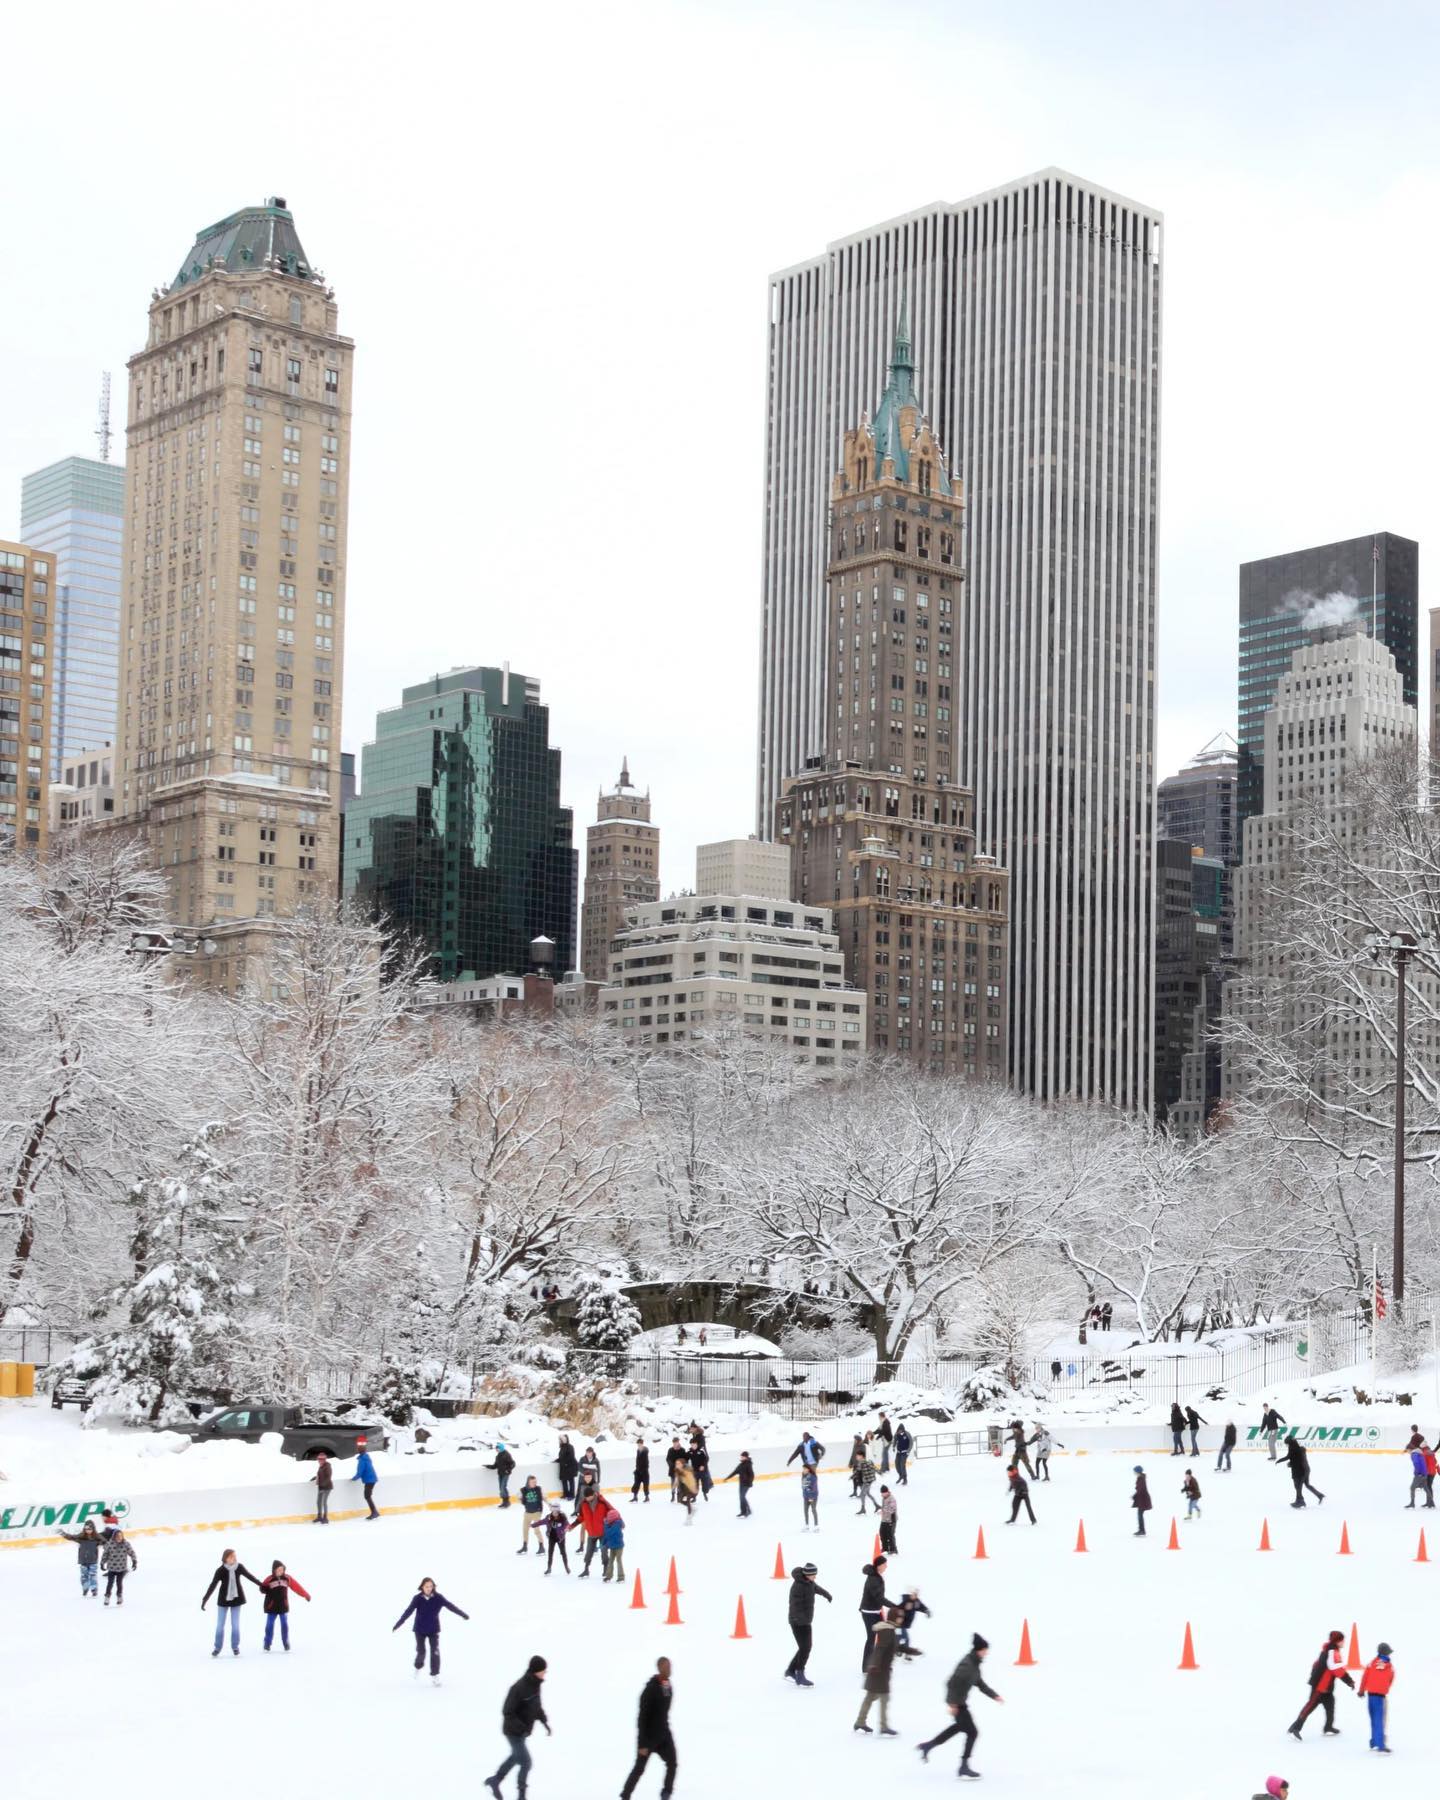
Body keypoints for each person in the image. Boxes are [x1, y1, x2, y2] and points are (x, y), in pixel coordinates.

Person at [917, 1632, 1002, 1779]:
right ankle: (963, 1766)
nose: (987, 1653)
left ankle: (928, 1746)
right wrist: (952, 1704)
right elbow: (951, 1683)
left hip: (960, 1703)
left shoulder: (974, 1664)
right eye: (985, 1650)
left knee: (958, 1728)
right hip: (958, 1704)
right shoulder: (967, 1666)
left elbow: (980, 1684)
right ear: (979, 1650)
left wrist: (994, 1695)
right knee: (972, 1732)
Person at [485, 1655, 551, 1798]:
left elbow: (536, 1707)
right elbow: (507, 1711)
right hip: (512, 1731)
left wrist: (544, 1722)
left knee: (516, 1757)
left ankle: (495, 1781)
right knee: (526, 1762)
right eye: (543, 1670)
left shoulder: (535, 1685)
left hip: (522, 1732)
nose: (545, 1673)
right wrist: (521, 1727)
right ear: (536, 1670)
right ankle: (521, 1795)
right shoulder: (519, 1687)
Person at [393, 1576, 469, 1684]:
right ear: (422, 1587)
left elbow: (450, 1606)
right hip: (419, 1629)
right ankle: (418, 1667)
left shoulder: (438, 1598)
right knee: (421, 1652)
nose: (429, 1588)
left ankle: (435, 1675)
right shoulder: (417, 1598)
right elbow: (408, 1611)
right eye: (426, 1586)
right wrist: (398, 1624)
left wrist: (463, 1614)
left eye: (431, 1586)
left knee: (435, 1652)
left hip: (433, 1629)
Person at [620, 1656, 677, 1798]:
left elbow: (664, 1711)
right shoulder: (650, 1690)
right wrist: (642, 1744)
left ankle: (666, 1792)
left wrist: (665, 1730)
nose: (669, 1669)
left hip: (664, 1735)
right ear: (659, 1668)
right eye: (666, 1667)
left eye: (670, 1666)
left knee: (672, 1763)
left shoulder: (667, 1686)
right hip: (649, 1738)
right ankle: (625, 1795)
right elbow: (642, 1718)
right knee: (639, 1769)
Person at [1288, 1629, 1354, 1738]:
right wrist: (1349, 1681)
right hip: (1320, 1687)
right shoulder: (1332, 1652)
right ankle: (1296, 1728)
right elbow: (1338, 1670)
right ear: (1337, 1641)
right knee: (1310, 1707)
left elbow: (1317, 1665)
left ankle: (1328, 1727)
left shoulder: (1328, 1650)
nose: (1344, 1642)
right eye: (1342, 1640)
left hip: (1326, 1687)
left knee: (1330, 1706)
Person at [201, 1548, 261, 1656]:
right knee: (220, 1626)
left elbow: (250, 1577)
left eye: (235, 1556)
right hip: (223, 1601)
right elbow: (213, 1585)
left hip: (236, 1600)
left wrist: (262, 1585)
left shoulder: (239, 1567)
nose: (234, 1558)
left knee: (235, 1625)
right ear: (225, 1559)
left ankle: (235, 1646)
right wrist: (205, 1599)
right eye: (231, 1556)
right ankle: (217, 1648)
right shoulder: (220, 1570)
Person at [854, 1605, 901, 1735]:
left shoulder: (891, 1630)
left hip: (880, 1671)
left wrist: (910, 1651)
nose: (901, 1620)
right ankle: (883, 1726)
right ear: (895, 1618)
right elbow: (879, 1649)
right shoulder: (887, 1631)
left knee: (870, 1697)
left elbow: (895, 1647)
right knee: (883, 1698)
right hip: (878, 1671)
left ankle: (860, 1722)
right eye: (900, 1617)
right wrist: (874, 1665)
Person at [784, 1561, 832, 1686]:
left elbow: (816, 1588)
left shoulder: (808, 1582)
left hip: (805, 1621)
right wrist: (801, 1620)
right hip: (798, 1622)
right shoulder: (798, 1586)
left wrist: (827, 1594)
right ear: (807, 1574)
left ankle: (790, 1671)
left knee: (804, 1647)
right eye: (813, 1575)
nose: (815, 1577)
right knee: (806, 1647)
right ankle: (799, 1674)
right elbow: (794, 1605)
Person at [260, 1560, 310, 1651]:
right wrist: (263, 1588)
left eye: (282, 1569)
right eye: (278, 1570)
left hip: (283, 1606)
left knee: (284, 1624)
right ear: (274, 1570)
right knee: (269, 1625)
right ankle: (267, 1643)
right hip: (271, 1607)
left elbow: (296, 1587)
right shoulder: (269, 1579)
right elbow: (262, 1588)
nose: (280, 1571)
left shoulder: (287, 1578)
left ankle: (286, 1642)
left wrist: (305, 1594)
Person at [858, 1555, 896, 1671]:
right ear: (879, 1566)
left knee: (885, 1636)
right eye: (884, 1564)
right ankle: (866, 1666)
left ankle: (881, 1662)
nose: (886, 1566)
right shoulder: (873, 1579)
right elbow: (879, 1598)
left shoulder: (877, 1576)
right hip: (869, 1613)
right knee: (871, 1638)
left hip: (876, 1611)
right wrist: (894, 1606)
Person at [1358, 1640, 1395, 1753]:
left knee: (1373, 1719)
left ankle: (1374, 1742)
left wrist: (1361, 1690)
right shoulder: (1389, 1666)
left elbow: (1365, 1677)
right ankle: (1381, 1745)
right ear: (1387, 1653)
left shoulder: (1371, 1664)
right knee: (1380, 1720)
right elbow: (1390, 1679)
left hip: (1370, 1695)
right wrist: (1385, 1689)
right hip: (1380, 1697)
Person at [59, 1519, 102, 1598]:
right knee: (84, 1576)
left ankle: (94, 1590)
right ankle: (85, 1588)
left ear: (93, 1529)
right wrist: (63, 1534)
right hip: (83, 1560)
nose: (88, 1531)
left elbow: (106, 1542)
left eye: (89, 1529)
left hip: (93, 1560)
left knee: (93, 1575)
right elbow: (71, 1537)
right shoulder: (81, 1537)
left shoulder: (97, 1538)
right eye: (86, 1529)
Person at [574, 1488, 611, 1576]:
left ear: (594, 1494)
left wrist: (618, 1523)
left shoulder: (602, 1502)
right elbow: (581, 1517)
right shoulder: (583, 1504)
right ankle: (586, 1569)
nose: (588, 1499)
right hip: (591, 1533)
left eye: (589, 1497)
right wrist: (572, 1526)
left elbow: (612, 1512)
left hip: (602, 1533)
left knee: (604, 1552)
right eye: (586, 1497)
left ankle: (606, 1569)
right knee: (588, 1552)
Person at [1281, 1434, 1325, 1508]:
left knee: (1298, 1485)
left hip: (1302, 1470)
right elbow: (1299, 1460)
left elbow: (1298, 1461)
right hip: (1306, 1469)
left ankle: (1300, 1501)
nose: (1287, 1446)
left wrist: (1290, 1464)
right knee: (1306, 1485)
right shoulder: (1300, 1449)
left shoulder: (1296, 1450)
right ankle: (1319, 1495)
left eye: (1288, 1444)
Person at [100, 1528, 137, 1605]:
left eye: (121, 1536)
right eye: (117, 1536)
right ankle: (107, 1597)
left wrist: (134, 1561)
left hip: (121, 1568)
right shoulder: (109, 1544)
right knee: (110, 1583)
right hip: (111, 1568)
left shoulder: (126, 1544)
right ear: (114, 1537)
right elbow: (105, 1554)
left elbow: (131, 1552)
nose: (119, 1538)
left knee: (119, 1583)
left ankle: (119, 1596)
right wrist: (102, 1563)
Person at [896, 1586, 931, 1657]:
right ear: (910, 1594)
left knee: (901, 1637)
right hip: (901, 1623)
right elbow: (898, 1609)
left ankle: (897, 1649)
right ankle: (905, 1653)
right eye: (913, 1594)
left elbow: (922, 1607)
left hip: (907, 1624)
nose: (915, 1595)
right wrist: (899, 1616)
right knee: (906, 1638)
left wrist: (926, 1611)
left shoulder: (917, 1602)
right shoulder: (905, 1601)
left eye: (916, 1594)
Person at [352, 1440, 380, 1519]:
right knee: (368, 1496)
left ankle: (374, 1512)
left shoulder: (362, 1460)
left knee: (367, 1496)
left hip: (369, 1480)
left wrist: (353, 1479)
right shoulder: (366, 1458)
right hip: (372, 1479)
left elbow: (360, 1472)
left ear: (359, 1451)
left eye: (358, 1449)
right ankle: (374, 1512)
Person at [518, 1475, 545, 1553]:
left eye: (535, 1482)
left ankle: (541, 1546)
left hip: (537, 1512)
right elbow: (519, 1497)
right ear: (528, 1482)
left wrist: (550, 1504)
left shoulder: (538, 1489)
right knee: (525, 1529)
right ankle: (525, 1546)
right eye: (533, 1482)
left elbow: (544, 1497)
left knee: (536, 1530)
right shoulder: (523, 1490)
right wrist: (521, 1500)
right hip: (527, 1512)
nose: (534, 1483)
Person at [725, 1450, 756, 1518]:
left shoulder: (748, 1464)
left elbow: (752, 1475)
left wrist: (749, 1482)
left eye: (742, 1457)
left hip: (746, 1484)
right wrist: (727, 1478)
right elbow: (734, 1472)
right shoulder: (741, 1465)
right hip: (741, 1484)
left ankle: (746, 1512)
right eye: (741, 1456)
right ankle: (744, 1511)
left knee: (742, 1497)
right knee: (741, 1497)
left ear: (746, 1457)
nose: (741, 1458)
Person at [601, 1502, 626, 1583]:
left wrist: (606, 1525)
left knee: (619, 1560)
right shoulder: (608, 1525)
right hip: (612, 1547)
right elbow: (605, 1536)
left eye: (609, 1518)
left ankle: (621, 1577)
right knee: (610, 1561)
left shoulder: (616, 1525)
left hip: (619, 1547)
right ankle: (608, 1576)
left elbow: (610, 1533)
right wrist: (603, 1543)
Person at [543, 1504, 571, 1575]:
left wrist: (565, 1529)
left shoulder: (563, 1517)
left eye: (556, 1510)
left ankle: (566, 1567)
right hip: (551, 1537)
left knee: (563, 1552)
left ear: (559, 1510)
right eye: (553, 1510)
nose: (554, 1512)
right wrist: (534, 1525)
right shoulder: (549, 1517)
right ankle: (549, 1568)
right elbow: (543, 1522)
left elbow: (567, 1524)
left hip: (560, 1538)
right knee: (550, 1553)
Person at [489, 1442, 516, 1509]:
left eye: (497, 1448)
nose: (496, 1449)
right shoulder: (498, 1456)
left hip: (506, 1474)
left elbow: (513, 1463)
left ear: (501, 1448)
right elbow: (495, 1466)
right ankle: (504, 1502)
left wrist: (508, 1470)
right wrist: (488, 1466)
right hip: (500, 1473)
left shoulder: (506, 1454)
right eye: (496, 1448)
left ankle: (507, 1502)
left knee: (503, 1487)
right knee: (501, 1488)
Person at [854, 1450, 880, 1515]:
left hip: (867, 1481)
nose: (856, 1457)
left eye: (857, 1456)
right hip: (867, 1480)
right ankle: (877, 1505)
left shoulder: (865, 1462)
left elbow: (873, 1467)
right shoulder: (861, 1462)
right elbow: (858, 1471)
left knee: (862, 1495)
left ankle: (863, 1509)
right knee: (868, 1494)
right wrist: (853, 1476)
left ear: (861, 1456)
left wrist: (879, 1472)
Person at [311, 1448, 333, 1523]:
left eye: (322, 1459)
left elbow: (328, 1477)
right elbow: (320, 1475)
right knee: (318, 1502)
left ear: (325, 1459)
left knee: (324, 1502)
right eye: (319, 1459)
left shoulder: (327, 1466)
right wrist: (314, 1478)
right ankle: (319, 1516)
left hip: (327, 1487)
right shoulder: (321, 1466)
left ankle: (325, 1518)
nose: (320, 1460)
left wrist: (323, 1486)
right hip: (321, 1487)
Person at [675, 1457, 699, 1524]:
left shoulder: (687, 1472)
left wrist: (693, 1490)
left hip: (691, 1488)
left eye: (678, 1464)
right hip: (684, 1488)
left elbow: (692, 1481)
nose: (677, 1465)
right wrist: (675, 1485)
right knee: (680, 1500)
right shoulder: (677, 1470)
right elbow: (677, 1479)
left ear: (682, 1464)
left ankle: (689, 1519)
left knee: (687, 1500)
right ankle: (693, 1509)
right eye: (676, 1464)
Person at [1405, 1441, 1428, 1508]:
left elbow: (1416, 1463)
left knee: (1412, 1488)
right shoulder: (1419, 1452)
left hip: (1420, 1474)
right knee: (1426, 1488)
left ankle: (1412, 1503)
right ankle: (1431, 1502)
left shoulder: (1414, 1454)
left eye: (1407, 1450)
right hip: (1424, 1473)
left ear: (1409, 1449)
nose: (1407, 1452)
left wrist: (1417, 1473)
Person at [1131, 1466, 1152, 1536]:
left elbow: (1140, 1490)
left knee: (1140, 1515)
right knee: (1140, 1515)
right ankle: (1141, 1530)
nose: (1134, 1473)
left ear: (1138, 1472)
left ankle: (1142, 1530)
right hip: (1142, 1499)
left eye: (1135, 1471)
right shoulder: (1140, 1478)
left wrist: (1134, 1496)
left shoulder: (1141, 1479)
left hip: (1143, 1500)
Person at [557, 1434, 579, 1501]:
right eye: (560, 1440)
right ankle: (565, 1494)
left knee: (571, 1481)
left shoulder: (570, 1447)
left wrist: (566, 1463)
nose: (560, 1441)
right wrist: (557, 1460)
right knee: (564, 1481)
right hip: (564, 1468)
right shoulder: (562, 1448)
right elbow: (561, 1457)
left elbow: (571, 1456)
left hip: (570, 1467)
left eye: (561, 1440)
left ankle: (572, 1495)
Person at [878, 1484, 899, 1553]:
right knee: (882, 1533)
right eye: (881, 1493)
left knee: (890, 1535)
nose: (882, 1494)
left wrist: (883, 1511)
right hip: (884, 1519)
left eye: (883, 1493)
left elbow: (892, 1509)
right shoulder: (884, 1498)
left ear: (887, 1492)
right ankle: (885, 1548)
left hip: (891, 1520)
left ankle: (893, 1549)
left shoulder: (892, 1499)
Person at [801, 1465, 820, 1531]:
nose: (803, 1470)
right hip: (806, 1496)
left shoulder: (813, 1477)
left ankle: (816, 1526)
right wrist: (804, 1495)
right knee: (805, 1511)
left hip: (813, 1496)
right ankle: (807, 1525)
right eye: (803, 1469)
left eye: (804, 1469)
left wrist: (811, 1497)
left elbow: (814, 1488)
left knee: (813, 1510)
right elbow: (803, 1486)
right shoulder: (803, 1475)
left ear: (808, 1469)